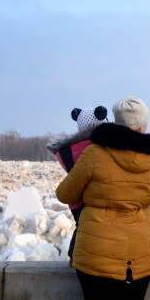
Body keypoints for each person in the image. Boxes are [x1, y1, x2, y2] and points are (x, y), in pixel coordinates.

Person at [56, 96, 150, 300]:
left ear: (116, 122)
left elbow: (65, 194)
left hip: (96, 254)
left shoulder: (94, 153)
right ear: (144, 124)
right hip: (138, 255)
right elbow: (146, 191)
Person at [47, 105, 109, 261]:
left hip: (76, 202)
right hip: (97, 201)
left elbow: (65, 192)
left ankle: (75, 258)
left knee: (83, 230)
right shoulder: (99, 148)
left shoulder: (69, 150)